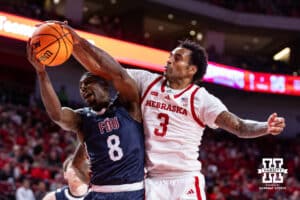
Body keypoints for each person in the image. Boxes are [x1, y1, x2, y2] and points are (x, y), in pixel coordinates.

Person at [48, 21, 285, 200]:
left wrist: (265, 126)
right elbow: (102, 69)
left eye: (177, 58)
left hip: (184, 180)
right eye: (171, 55)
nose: (170, 59)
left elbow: (240, 127)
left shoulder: (201, 99)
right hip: (151, 182)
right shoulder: (145, 80)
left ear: (192, 69)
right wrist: (73, 43)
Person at [27, 35, 145, 199]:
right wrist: (42, 74)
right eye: (81, 89)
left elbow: (119, 75)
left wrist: (77, 42)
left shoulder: (128, 105)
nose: (84, 90)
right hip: (100, 192)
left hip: (132, 190)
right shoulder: (83, 119)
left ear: (104, 86)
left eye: (88, 84)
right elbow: (57, 115)